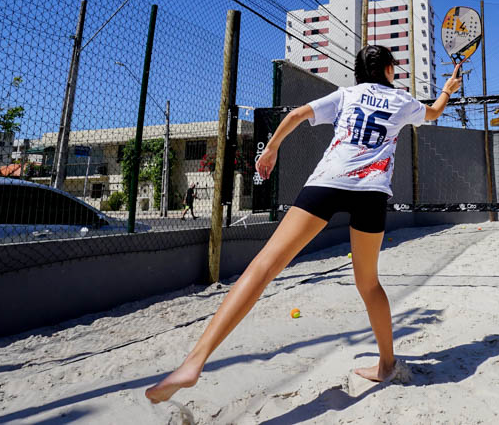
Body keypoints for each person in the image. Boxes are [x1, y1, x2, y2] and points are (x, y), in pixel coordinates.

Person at [145, 45, 464, 404]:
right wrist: (447, 90)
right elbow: (435, 112)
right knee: (368, 282)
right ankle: (387, 362)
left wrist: (271, 148)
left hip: (328, 181)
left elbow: (296, 114)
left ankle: (193, 363)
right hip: (371, 192)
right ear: (389, 70)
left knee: (264, 266)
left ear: (358, 73)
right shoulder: (401, 100)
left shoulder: (346, 94)